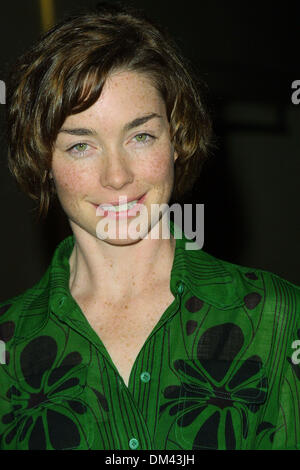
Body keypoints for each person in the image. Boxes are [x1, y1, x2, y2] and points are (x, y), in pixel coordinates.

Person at [0, 2, 299, 451]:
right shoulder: (9, 343)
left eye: (141, 136)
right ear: (43, 160)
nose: (117, 176)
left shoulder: (278, 318)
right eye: (81, 145)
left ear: (177, 139)